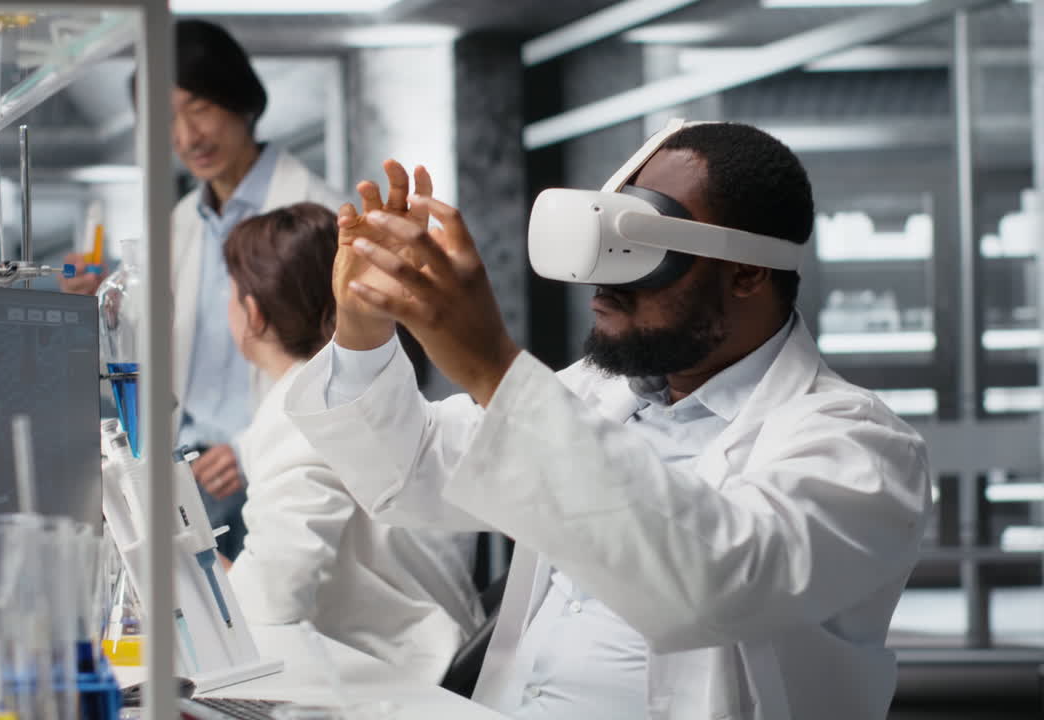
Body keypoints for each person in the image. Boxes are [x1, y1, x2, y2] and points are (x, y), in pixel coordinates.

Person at [283, 123, 932, 719]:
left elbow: (713, 585)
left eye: (643, 246)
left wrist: (493, 368)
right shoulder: (599, 394)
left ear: (746, 271)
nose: (602, 282)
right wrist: (362, 329)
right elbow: (413, 473)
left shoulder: (861, 447)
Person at [61, 20, 342, 559]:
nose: (188, 137)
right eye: (166, 119)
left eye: (200, 108)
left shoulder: (318, 214)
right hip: (190, 471)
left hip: (278, 465)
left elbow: (346, 364)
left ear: (241, 100)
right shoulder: (181, 224)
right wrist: (103, 307)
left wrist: (250, 448)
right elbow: (150, 352)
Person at [216, 202, 484, 681]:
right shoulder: (360, 394)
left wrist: (187, 565)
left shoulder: (301, 408)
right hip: (445, 650)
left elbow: (271, 599)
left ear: (253, 313)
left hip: (400, 679)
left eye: (231, 292)